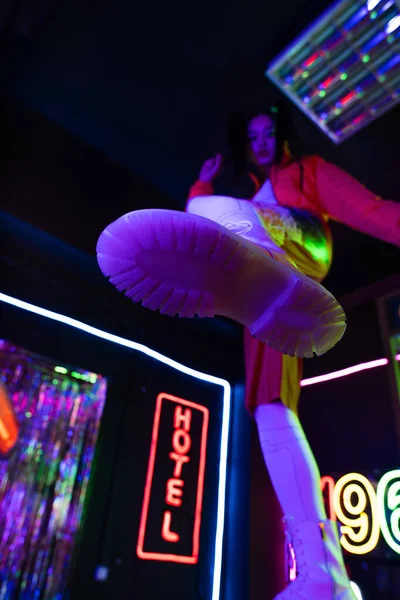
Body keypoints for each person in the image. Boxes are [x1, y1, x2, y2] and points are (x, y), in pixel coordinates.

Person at [96, 106, 400, 599]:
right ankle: (323, 573)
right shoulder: (252, 194)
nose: (260, 142)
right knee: (269, 412)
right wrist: (200, 184)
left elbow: (369, 209)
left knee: (206, 212)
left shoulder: (309, 172)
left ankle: (260, 268)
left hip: (305, 244)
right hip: (269, 294)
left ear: (284, 135)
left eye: (268, 133)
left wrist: (202, 197)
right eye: (252, 136)